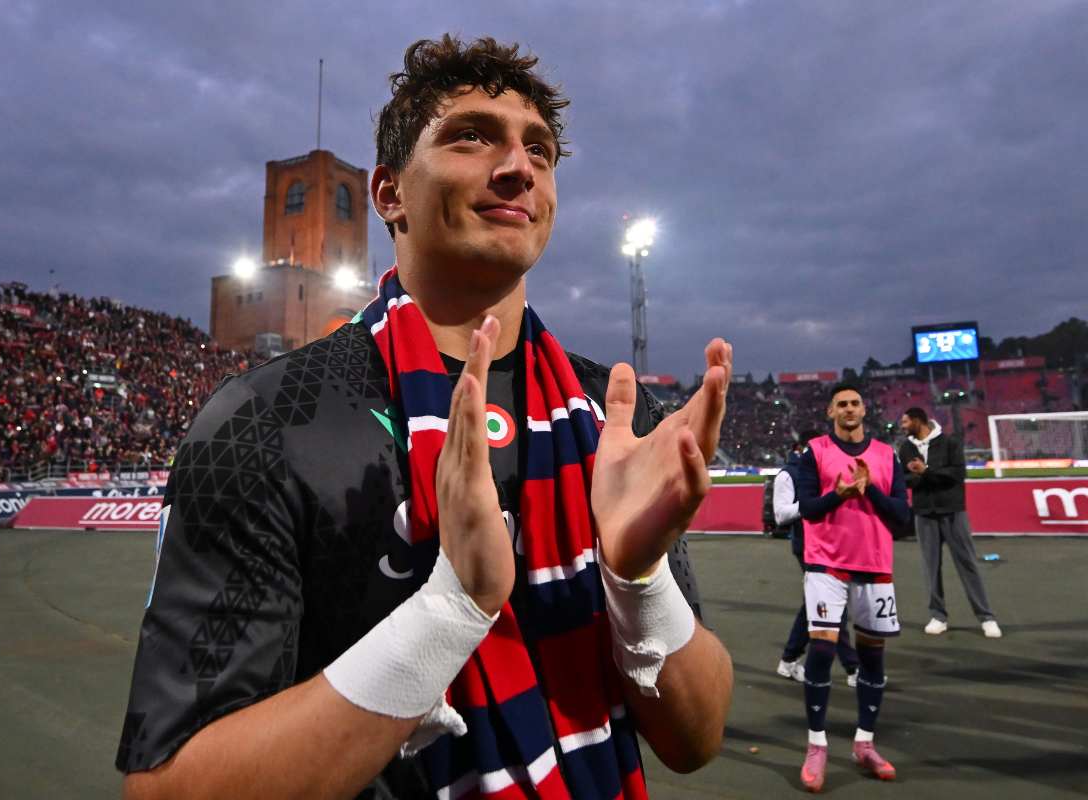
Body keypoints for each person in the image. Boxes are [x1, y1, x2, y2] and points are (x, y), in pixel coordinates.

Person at [118, 35, 733, 800]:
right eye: (471, 136)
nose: (518, 167)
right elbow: (170, 787)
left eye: (539, 151)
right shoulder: (269, 419)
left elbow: (697, 738)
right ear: (388, 193)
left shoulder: (611, 416)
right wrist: (452, 609)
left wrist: (637, 580)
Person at [795, 384, 910, 791]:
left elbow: (902, 517)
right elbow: (806, 509)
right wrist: (839, 494)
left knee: (873, 660)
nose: (848, 409)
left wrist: (870, 490)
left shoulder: (886, 455)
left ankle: (864, 743)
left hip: (876, 567)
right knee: (822, 650)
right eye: (841, 404)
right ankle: (817, 745)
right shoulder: (815, 451)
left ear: (864, 410)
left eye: (854, 403)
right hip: (826, 564)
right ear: (830, 411)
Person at [898, 407, 1000, 638]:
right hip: (924, 513)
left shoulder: (949, 442)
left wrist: (926, 471)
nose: (902, 426)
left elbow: (957, 474)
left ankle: (986, 617)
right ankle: (938, 615)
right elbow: (903, 479)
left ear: (918, 421)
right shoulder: (906, 448)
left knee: (968, 564)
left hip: (953, 511)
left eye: (905, 422)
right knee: (930, 567)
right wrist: (917, 475)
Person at [774, 432, 860, 687]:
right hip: (807, 546)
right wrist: (813, 504)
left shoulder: (822, 469)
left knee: (815, 603)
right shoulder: (787, 474)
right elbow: (780, 514)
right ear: (801, 448)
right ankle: (854, 668)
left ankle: (788, 660)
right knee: (833, 603)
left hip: (830, 543)